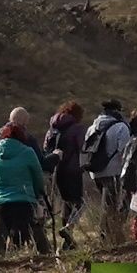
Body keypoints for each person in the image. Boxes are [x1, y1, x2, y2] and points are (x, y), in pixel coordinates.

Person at [0, 109, 48, 254]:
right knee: (30, 230)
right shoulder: (27, 152)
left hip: (2, 200)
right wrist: (38, 193)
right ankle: (42, 255)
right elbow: (37, 175)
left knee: (1, 232)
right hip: (24, 198)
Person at [80, 101, 131, 238]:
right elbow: (124, 151)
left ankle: (108, 233)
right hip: (113, 171)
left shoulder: (93, 127)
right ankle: (106, 235)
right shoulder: (121, 127)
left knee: (106, 203)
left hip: (95, 171)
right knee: (110, 205)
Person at [43, 101, 86, 250]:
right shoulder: (77, 128)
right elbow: (83, 147)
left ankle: (67, 243)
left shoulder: (52, 129)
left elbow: (46, 148)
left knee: (66, 203)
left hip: (57, 170)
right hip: (73, 170)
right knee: (80, 204)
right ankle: (69, 228)